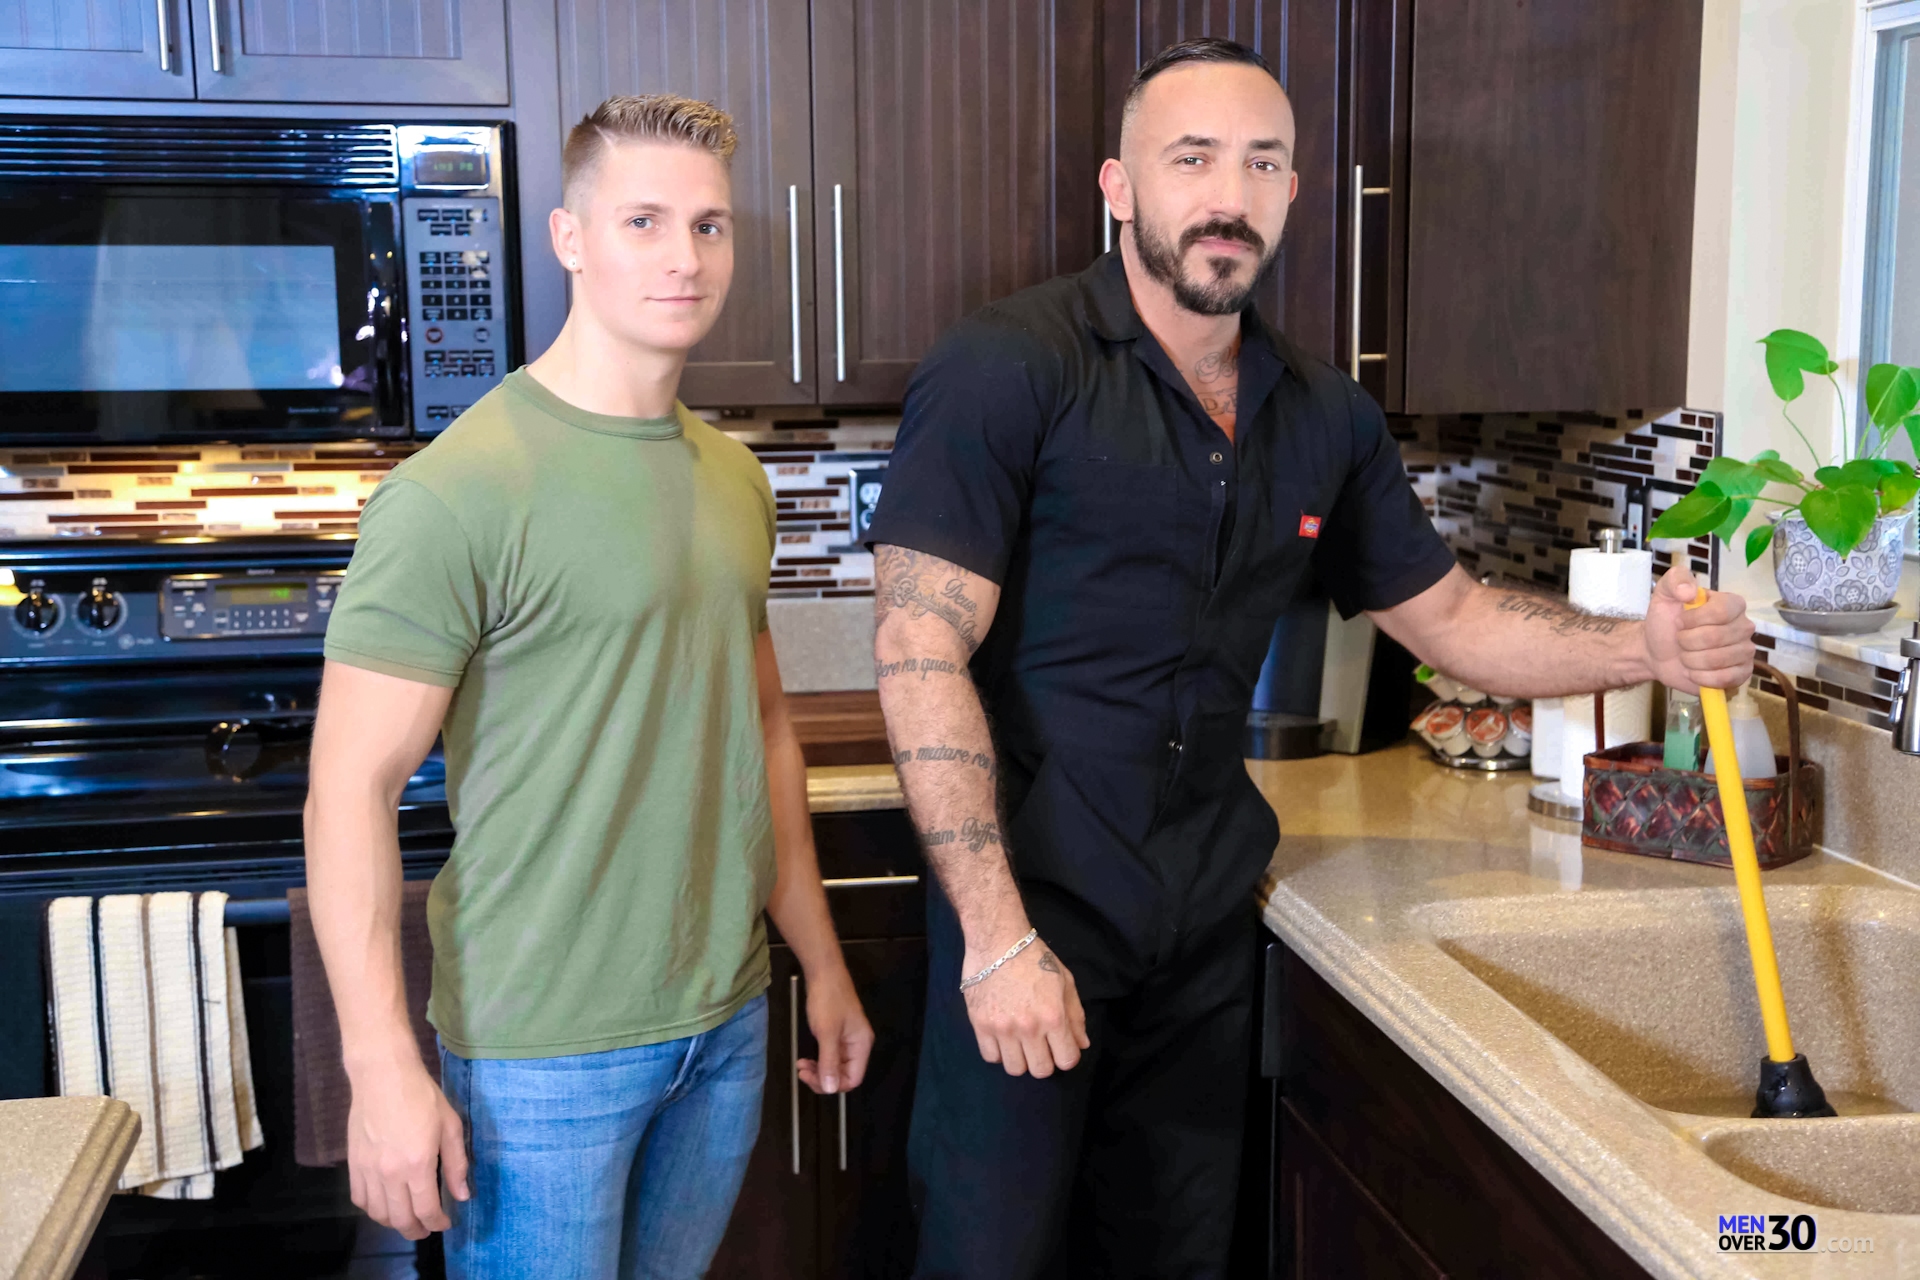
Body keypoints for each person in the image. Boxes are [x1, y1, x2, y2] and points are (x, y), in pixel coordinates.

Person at [866, 37, 1756, 1279]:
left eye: (1262, 163)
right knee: (989, 1264)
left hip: (1202, 933)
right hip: (1032, 920)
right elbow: (918, 644)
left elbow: (1453, 622)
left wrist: (1642, 645)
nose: (1227, 195)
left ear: (1292, 193)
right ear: (1120, 185)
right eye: (1193, 159)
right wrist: (1000, 938)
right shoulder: (1009, 365)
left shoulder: (1325, 414)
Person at [304, 94, 873, 1279]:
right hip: (541, 1052)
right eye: (643, 221)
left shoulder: (734, 479)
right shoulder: (457, 491)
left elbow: (763, 731)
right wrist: (380, 1063)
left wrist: (818, 960)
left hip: (723, 1018)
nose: (685, 258)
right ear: (569, 237)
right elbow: (349, 790)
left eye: (710, 226)